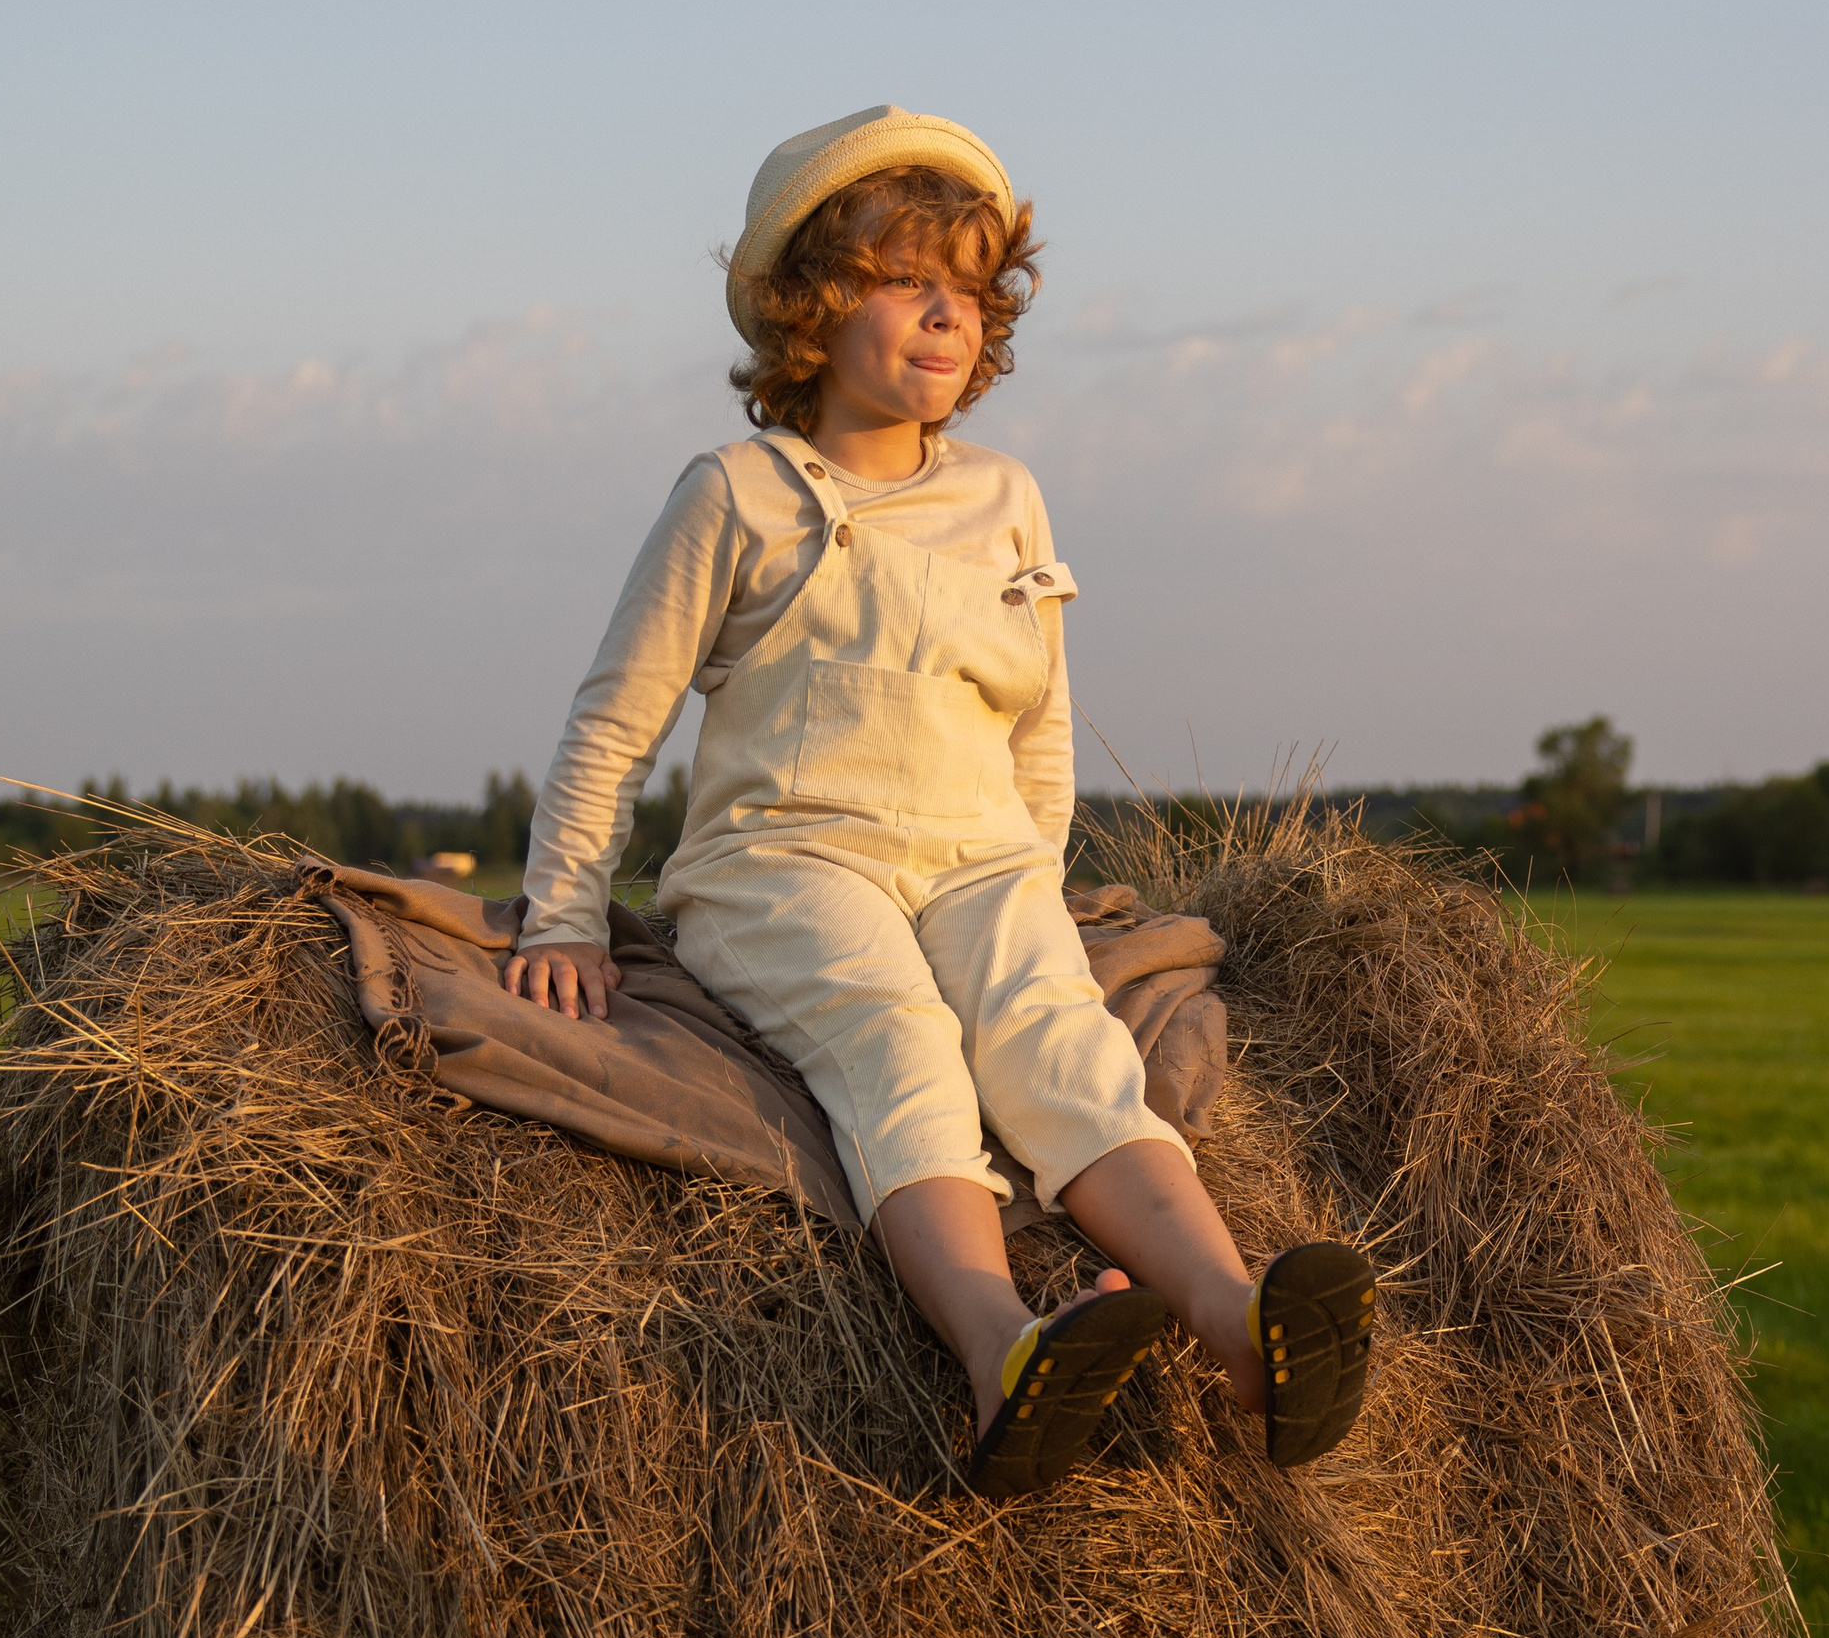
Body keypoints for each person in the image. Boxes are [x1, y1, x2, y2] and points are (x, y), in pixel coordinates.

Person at [505, 104, 1375, 1498]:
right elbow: (618, 718)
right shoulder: (741, 492)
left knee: (1066, 1055)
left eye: (971, 291)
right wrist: (562, 916)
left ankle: (1236, 1320)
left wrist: (1031, 892)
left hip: (977, 864)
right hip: (787, 864)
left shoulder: (1007, 498)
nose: (946, 315)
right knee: (899, 1047)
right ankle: (999, 1351)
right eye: (909, 280)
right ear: (812, 305)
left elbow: (1040, 727)